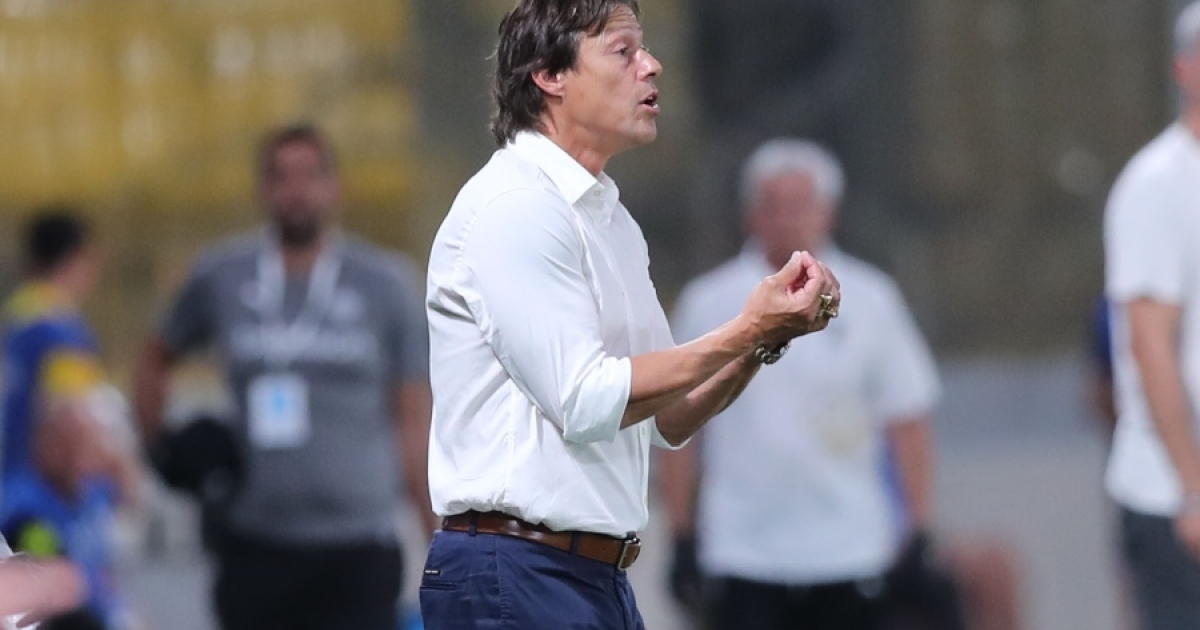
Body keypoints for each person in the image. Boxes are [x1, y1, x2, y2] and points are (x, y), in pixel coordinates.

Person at [420, 2, 842, 629]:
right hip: (512, 571)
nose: (651, 65)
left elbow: (670, 415)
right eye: (623, 51)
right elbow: (586, 401)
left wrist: (763, 340)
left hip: (589, 577)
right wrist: (747, 327)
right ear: (550, 75)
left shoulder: (608, 219)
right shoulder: (515, 206)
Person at [133, 123, 435, 630]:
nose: (296, 191)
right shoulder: (223, 275)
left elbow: (413, 422)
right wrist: (161, 452)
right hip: (256, 544)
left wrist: (436, 534)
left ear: (335, 187)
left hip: (357, 546)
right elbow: (155, 357)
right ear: (263, 189)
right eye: (281, 177)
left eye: (310, 176)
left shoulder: (385, 284)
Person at [657, 139, 944, 630]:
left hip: (851, 548)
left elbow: (907, 416)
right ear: (750, 214)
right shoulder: (709, 302)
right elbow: (679, 425)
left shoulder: (872, 298)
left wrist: (917, 529)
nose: (787, 219)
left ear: (828, 212)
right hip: (742, 551)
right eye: (773, 205)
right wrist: (681, 535)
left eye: (801, 204)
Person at [1103, 2, 1200, 628]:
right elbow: (1150, 344)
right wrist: (1191, 489)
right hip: (1173, 497)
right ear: (1185, 69)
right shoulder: (1158, 182)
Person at [0, 210, 141, 630]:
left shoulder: (15, 319)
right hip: (50, 505)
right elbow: (76, 414)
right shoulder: (60, 329)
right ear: (79, 259)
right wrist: (122, 471)